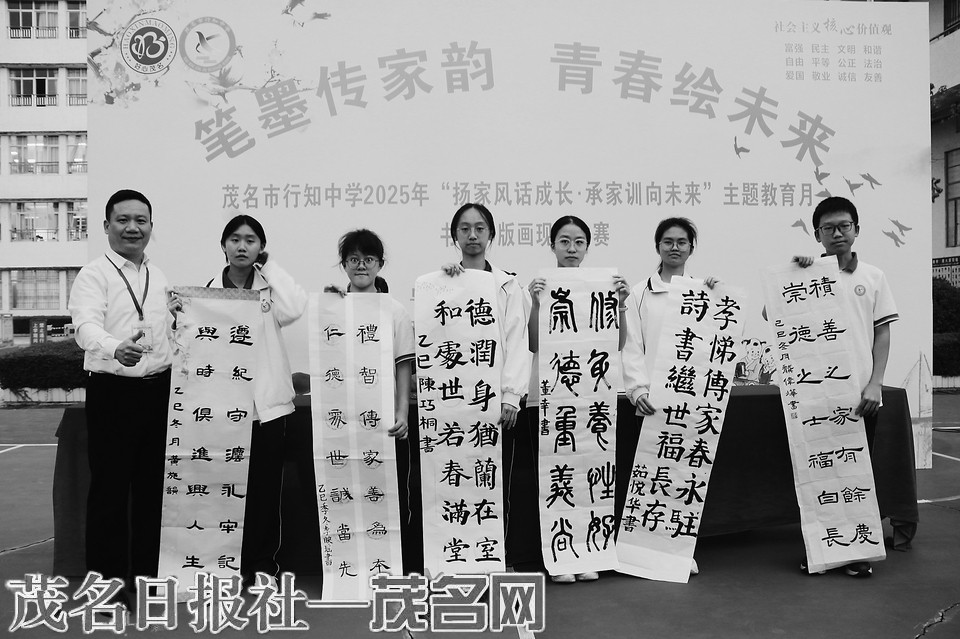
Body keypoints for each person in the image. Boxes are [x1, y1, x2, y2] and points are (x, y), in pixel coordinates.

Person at [69, 189, 179, 610]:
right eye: (123, 220)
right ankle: (107, 586)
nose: (133, 228)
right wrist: (115, 347)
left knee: (153, 493)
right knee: (110, 493)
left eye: (141, 220)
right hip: (113, 394)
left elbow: (168, 332)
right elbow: (85, 326)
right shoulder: (93, 274)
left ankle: (148, 581)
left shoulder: (159, 276)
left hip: (158, 392)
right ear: (106, 226)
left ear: (151, 226)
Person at [194, 214, 308, 589]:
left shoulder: (270, 290)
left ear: (261, 247)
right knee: (224, 492)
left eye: (251, 240)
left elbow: (295, 308)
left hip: (267, 411)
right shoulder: (207, 292)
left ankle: (261, 566)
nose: (242, 246)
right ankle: (223, 565)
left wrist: (269, 267)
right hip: (223, 411)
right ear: (223, 245)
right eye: (235, 239)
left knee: (263, 493)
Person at [791, 196, 898, 579]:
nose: (837, 233)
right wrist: (796, 273)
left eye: (844, 226)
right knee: (817, 475)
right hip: (814, 396)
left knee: (855, 475)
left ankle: (856, 552)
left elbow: (882, 334)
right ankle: (821, 549)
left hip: (858, 396)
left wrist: (875, 383)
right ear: (817, 234)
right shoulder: (806, 274)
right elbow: (774, 314)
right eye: (828, 228)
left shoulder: (873, 276)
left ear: (856, 229)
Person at [525, 215, 631, 584]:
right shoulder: (540, 287)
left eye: (579, 242)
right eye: (564, 241)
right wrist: (535, 302)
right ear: (552, 245)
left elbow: (618, 344)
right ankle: (559, 556)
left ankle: (587, 551)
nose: (572, 249)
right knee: (555, 477)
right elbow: (533, 343)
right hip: (550, 398)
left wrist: (620, 305)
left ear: (587, 246)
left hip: (591, 398)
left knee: (589, 473)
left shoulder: (603, 288)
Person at [620, 216, 717, 577]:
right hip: (652, 403)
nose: (675, 248)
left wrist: (719, 297)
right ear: (657, 246)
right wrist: (637, 390)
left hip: (691, 402)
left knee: (684, 476)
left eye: (682, 242)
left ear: (692, 248)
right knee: (648, 478)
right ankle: (639, 551)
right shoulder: (638, 293)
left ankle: (679, 550)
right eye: (668, 241)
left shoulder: (704, 291)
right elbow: (632, 346)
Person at [441, 203, 531, 431]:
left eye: (480, 229)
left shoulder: (507, 285)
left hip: (498, 401)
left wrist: (511, 396)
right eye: (465, 229)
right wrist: (441, 284)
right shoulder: (442, 284)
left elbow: (517, 341)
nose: (472, 235)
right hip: (454, 395)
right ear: (455, 235)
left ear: (491, 234)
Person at [324, 228, 415, 440]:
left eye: (369, 259)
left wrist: (402, 413)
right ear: (344, 264)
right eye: (354, 259)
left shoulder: (396, 311)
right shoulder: (331, 309)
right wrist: (325, 308)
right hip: (342, 415)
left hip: (385, 416)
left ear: (380, 264)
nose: (361, 265)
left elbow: (403, 367)